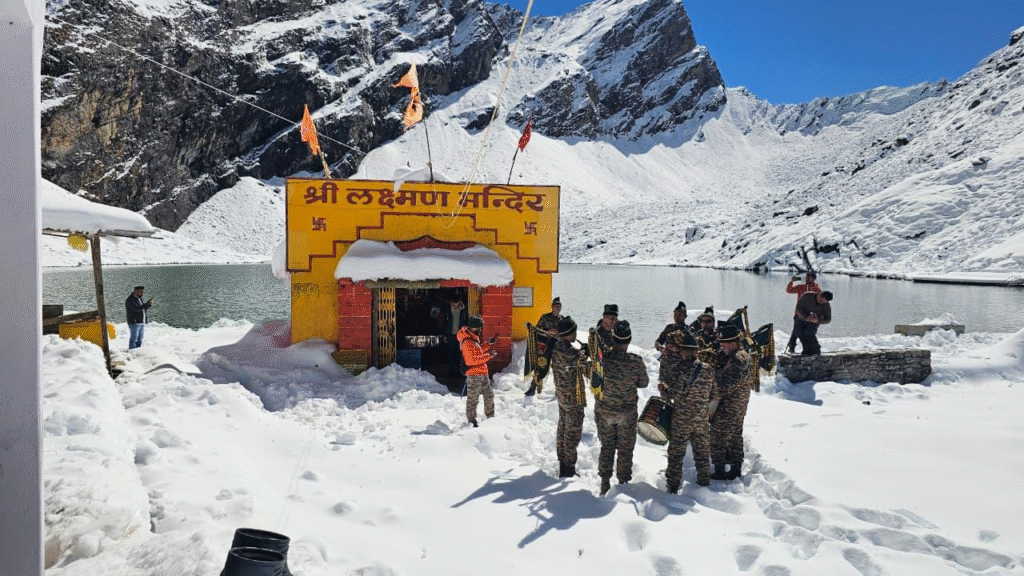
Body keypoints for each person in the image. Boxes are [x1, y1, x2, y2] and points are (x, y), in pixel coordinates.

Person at [594, 320, 649, 495]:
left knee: (607, 446)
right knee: (625, 450)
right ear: (629, 340)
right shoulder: (636, 362)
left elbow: (594, 380)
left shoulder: (604, 359)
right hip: (627, 413)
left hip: (606, 412)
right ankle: (623, 483)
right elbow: (644, 383)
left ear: (614, 339)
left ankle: (604, 483)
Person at [659, 331, 714, 492]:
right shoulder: (709, 370)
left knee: (676, 455)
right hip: (701, 419)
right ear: (697, 351)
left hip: (681, 419)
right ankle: (704, 485)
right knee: (702, 454)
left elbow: (673, 394)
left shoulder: (679, 368)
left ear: (683, 351)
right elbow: (714, 393)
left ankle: (673, 487)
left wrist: (664, 389)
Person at [710, 324, 752, 481]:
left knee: (717, 437)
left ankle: (720, 471)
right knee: (735, 437)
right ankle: (735, 469)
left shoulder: (737, 361)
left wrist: (710, 389)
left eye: (724, 344)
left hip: (730, 407)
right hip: (737, 406)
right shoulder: (738, 357)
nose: (721, 347)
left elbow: (727, 386)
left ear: (733, 343)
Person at [551, 315, 590, 478]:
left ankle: (562, 463)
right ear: (567, 334)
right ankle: (569, 470)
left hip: (562, 395)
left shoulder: (557, 347)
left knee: (563, 429)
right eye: (573, 332)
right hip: (573, 398)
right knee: (572, 433)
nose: (575, 335)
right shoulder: (569, 352)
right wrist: (587, 353)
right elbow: (585, 366)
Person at [458, 315, 496, 427]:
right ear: (474, 328)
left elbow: (477, 352)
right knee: (473, 399)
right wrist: (489, 356)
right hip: (474, 374)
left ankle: (491, 418)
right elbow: (471, 360)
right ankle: (471, 422)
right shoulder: (467, 341)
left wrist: (488, 344)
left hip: (482, 372)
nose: (481, 330)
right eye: (479, 328)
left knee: (489, 395)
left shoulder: (473, 337)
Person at [526, 297, 563, 397]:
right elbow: (537, 330)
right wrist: (547, 333)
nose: (557, 308)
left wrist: (559, 333)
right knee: (541, 366)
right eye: (556, 306)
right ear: (552, 307)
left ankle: (559, 390)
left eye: (559, 306)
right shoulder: (545, 317)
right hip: (546, 346)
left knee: (558, 369)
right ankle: (533, 387)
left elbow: (565, 333)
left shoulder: (562, 319)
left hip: (557, 347)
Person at [785, 273, 821, 354]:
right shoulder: (801, 287)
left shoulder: (817, 290)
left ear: (814, 279)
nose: (807, 279)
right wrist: (791, 282)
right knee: (795, 331)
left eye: (809, 278)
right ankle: (792, 347)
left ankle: (808, 349)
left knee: (805, 332)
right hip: (799, 314)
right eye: (807, 277)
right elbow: (789, 290)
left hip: (809, 315)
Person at [793, 290, 833, 356]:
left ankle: (816, 350)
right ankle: (806, 350)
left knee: (809, 333)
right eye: (820, 300)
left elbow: (828, 319)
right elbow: (798, 308)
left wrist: (818, 320)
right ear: (819, 294)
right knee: (799, 332)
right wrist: (806, 317)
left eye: (823, 302)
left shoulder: (826, 305)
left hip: (814, 321)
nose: (821, 302)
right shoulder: (807, 296)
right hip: (801, 318)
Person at [442, 296, 468, 378]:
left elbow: (466, 323)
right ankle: (451, 373)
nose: (455, 306)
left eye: (456, 305)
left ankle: (459, 372)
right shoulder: (447, 310)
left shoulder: (464, 310)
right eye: (453, 304)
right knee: (451, 354)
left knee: (460, 355)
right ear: (451, 303)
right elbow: (445, 323)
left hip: (460, 336)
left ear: (459, 303)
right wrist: (445, 335)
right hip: (451, 335)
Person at [125, 285, 154, 349]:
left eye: (142, 292)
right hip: (134, 322)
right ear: (135, 292)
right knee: (134, 339)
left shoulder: (139, 299)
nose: (142, 293)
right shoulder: (130, 299)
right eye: (140, 292)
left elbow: (142, 308)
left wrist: (148, 305)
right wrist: (146, 305)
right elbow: (136, 309)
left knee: (140, 339)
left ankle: (138, 351)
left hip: (141, 322)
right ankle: (132, 352)